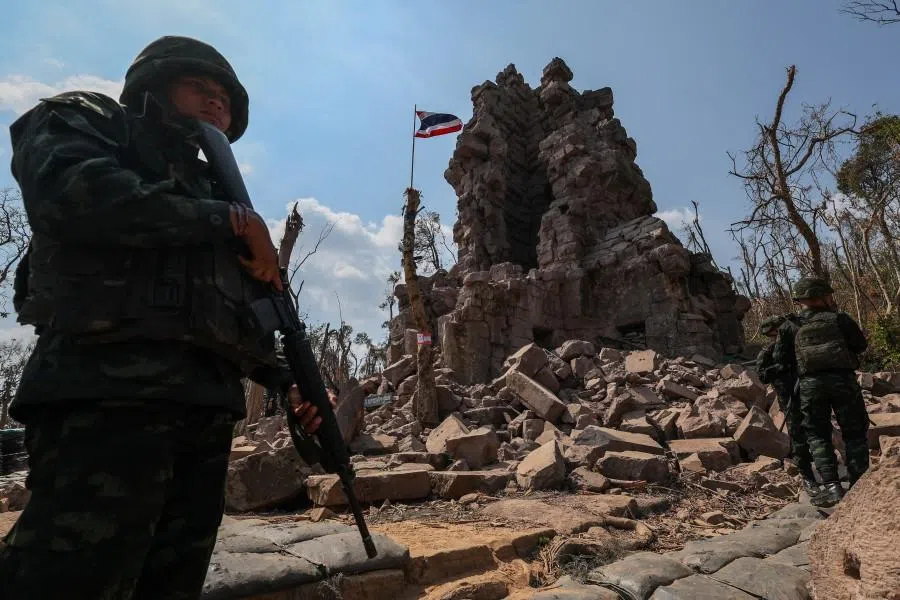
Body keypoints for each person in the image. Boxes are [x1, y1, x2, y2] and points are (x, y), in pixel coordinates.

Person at [0, 35, 330, 599]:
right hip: (105, 396)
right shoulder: (89, 119)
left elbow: (236, 315)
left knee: (171, 583)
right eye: (197, 87)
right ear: (153, 86)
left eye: (224, 97)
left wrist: (283, 379)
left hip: (203, 414)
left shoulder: (214, 188)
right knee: (70, 576)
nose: (214, 103)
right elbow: (73, 196)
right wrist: (228, 220)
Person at [772, 277, 870, 508]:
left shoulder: (789, 325)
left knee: (817, 435)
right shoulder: (840, 319)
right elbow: (860, 346)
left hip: (810, 386)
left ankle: (833, 488)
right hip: (843, 381)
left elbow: (780, 360)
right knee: (854, 432)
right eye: (829, 295)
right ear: (822, 296)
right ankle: (860, 485)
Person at [756, 314, 820, 499]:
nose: (777, 336)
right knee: (798, 436)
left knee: (819, 431)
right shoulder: (768, 352)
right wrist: (780, 368)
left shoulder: (798, 346)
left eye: (778, 331)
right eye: (773, 333)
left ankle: (830, 472)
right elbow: (763, 376)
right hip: (789, 398)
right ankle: (808, 477)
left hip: (810, 394)